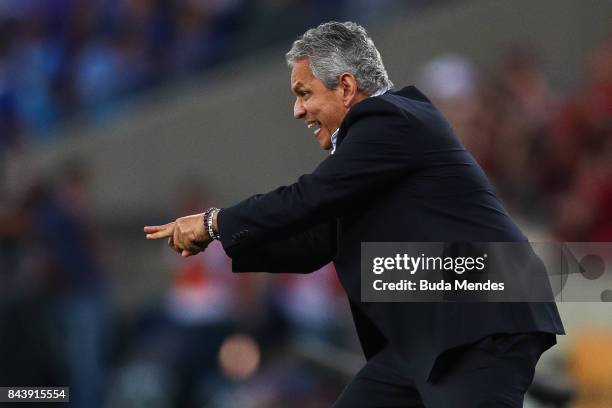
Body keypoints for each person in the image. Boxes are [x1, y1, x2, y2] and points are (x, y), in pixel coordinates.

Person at [144, 21, 564, 407]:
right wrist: (215, 243)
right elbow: (314, 241)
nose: (297, 111)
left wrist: (215, 222)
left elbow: (309, 196)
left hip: (481, 322)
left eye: (304, 93)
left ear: (346, 87)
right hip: (434, 333)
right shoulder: (378, 146)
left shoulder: (389, 120)